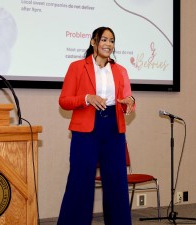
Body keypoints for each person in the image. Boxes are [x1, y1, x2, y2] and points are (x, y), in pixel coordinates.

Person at [57, 27, 136, 225]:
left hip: (113, 128)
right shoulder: (76, 67)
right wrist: (86, 98)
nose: (108, 44)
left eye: (111, 41)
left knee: (117, 182)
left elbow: (130, 99)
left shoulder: (120, 71)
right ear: (93, 42)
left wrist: (129, 102)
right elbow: (64, 101)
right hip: (86, 130)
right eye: (104, 40)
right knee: (80, 180)